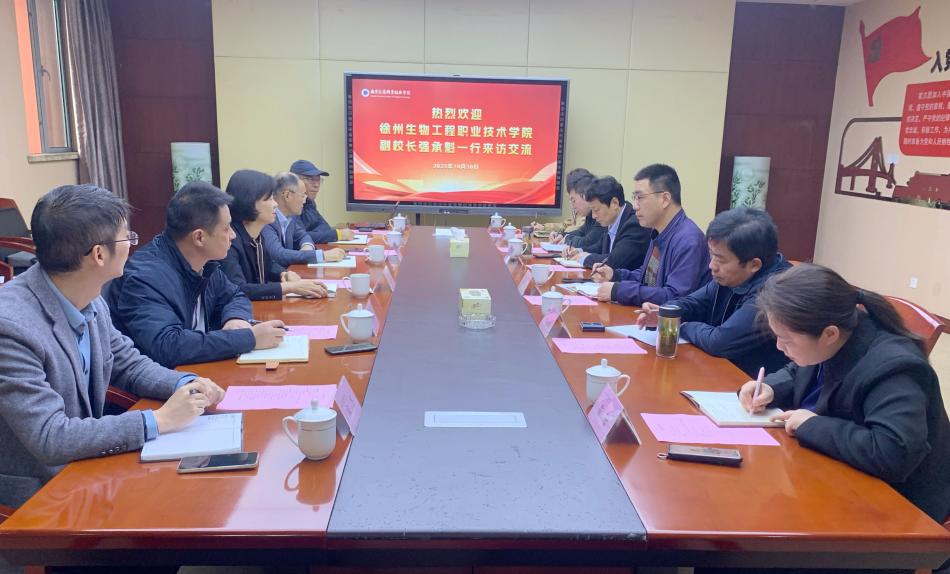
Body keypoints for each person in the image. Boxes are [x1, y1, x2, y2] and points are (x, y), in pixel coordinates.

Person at [0, 185, 225, 509]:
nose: (132, 245)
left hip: (86, 470)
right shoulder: (11, 326)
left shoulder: (89, 295)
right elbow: (51, 436)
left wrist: (186, 383)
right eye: (126, 237)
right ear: (99, 255)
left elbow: (127, 362)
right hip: (38, 498)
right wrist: (159, 420)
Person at [741, 263, 950, 524]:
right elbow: (800, 370)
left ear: (829, 334)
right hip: (835, 473)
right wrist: (770, 387)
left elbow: (893, 453)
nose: (779, 347)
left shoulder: (896, 368)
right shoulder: (837, 337)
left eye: (787, 340)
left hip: (897, 507)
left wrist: (812, 425)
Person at [107, 181, 286, 368]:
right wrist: (249, 339)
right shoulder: (145, 277)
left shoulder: (203, 262)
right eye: (226, 228)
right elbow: (167, 346)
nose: (233, 235)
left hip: (197, 371)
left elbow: (235, 295)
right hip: (165, 380)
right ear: (199, 237)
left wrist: (235, 318)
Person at [636, 207, 791, 377]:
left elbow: (720, 341)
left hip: (750, 383)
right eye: (712, 255)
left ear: (754, 265)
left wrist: (680, 325)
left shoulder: (776, 291)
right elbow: (693, 303)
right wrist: (666, 313)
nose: (712, 266)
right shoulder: (730, 276)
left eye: (720, 260)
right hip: (716, 369)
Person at [590, 164, 710, 305]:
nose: (635, 206)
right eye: (634, 197)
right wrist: (615, 275)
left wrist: (619, 291)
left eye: (640, 197)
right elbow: (647, 278)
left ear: (665, 199)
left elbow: (675, 297)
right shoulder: (660, 231)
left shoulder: (688, 240)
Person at [222, 169, 331, 301]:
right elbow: (239, 289)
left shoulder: (256, 235)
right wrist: (289, 287)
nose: (275, 204)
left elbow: (269, 265)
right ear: (250, 203)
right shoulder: (229, 241)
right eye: (269, 199)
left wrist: (284, 273)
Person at [563, 175, 650, 271]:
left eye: (596, 210)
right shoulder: (611, 219)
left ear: (614, 203)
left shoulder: (635, 224)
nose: (593, 216)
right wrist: (578, 251)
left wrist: (583, 258)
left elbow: (614, 261)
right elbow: (599, 247)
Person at [261, 171, 346, 267]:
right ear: (287, 195)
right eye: (302, 195)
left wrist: (307, 247)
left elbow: (303, 235)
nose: (305, 200)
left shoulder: (290, 216)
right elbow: (278, 255)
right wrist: (322, 256)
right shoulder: (267, 219)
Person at [290, 160, 355, 244]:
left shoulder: (309, 202)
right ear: (294, 182)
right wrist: (338, 234)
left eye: (318, 180)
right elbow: (298, 237)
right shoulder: (289, 205)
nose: (316, 185)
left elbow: (324, 227)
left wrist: (318, 234)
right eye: (310, 179)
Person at [548, 169, 605, 251]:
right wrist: (561, 235)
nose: (572, 206)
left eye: (573, 200)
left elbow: (588, 242)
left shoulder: (601, 214)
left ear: (585, 195)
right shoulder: (590, 215)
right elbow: (581, 232)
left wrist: (567, 238)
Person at [532, 168, 594, 237]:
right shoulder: (580, 210)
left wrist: (561, 234)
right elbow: (566, 225)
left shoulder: (593, 213)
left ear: (584, 194)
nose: (572, 204)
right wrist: (544, 227)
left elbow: (578, 229)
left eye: (573, 200)